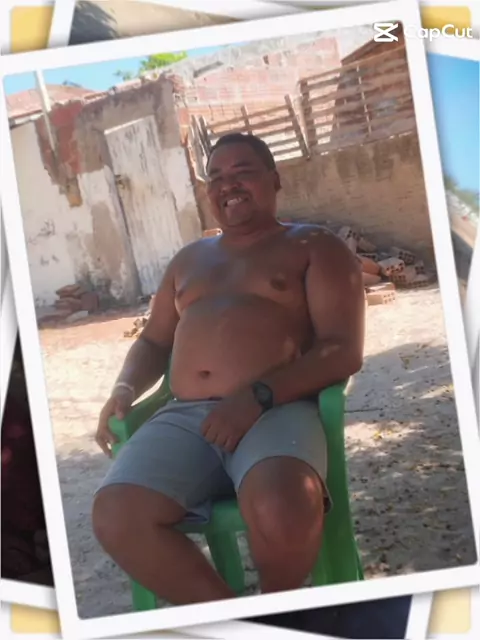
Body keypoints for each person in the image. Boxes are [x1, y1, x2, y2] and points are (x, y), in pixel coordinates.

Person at [92, 132, 365, 605]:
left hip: (276, 408)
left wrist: (257, 396)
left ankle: (279, 606)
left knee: (282, 507)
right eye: (215, 176)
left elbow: (342, 350)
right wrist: (124, 387)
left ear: (275, 180)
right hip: (185, 418)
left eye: (243, 172)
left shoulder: (314, 246)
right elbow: (153, 340)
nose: (228, 185)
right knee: (116, 515)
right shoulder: (188, 260)